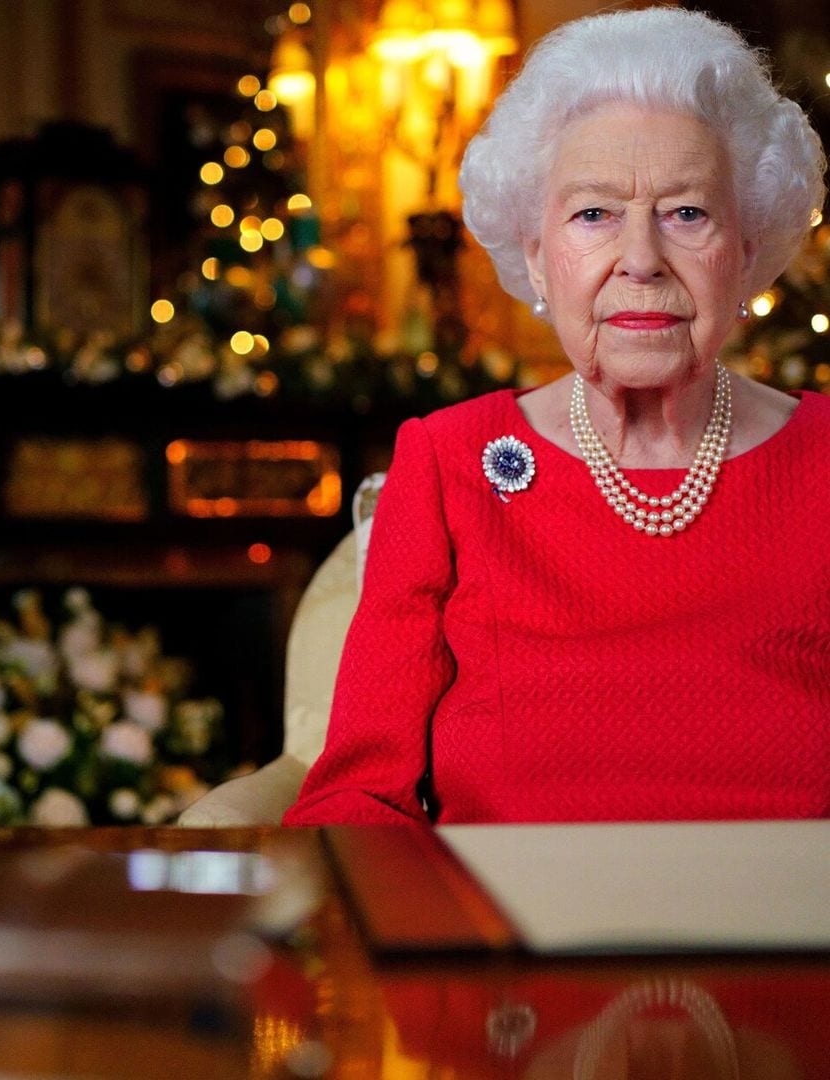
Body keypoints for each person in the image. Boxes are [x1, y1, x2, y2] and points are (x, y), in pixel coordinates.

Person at [285, 7, 830, 826]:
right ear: (536, 254)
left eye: (688, 213)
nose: (641, 260)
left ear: (748, 250)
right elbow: (359, 798)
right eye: (593, 214)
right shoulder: (449, 462)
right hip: (509, 942)